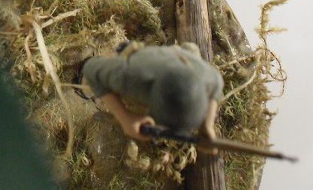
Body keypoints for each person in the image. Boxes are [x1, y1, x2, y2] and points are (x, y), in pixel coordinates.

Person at [82, 42, 223, 142]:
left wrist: (207, 126)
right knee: (107, 75)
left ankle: (183, 49)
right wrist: (125, 118)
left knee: (191, 49)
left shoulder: (208, 77)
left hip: (183, 56)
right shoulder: (131, 77)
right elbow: (90, 69)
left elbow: (217, 86)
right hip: (148, 60)